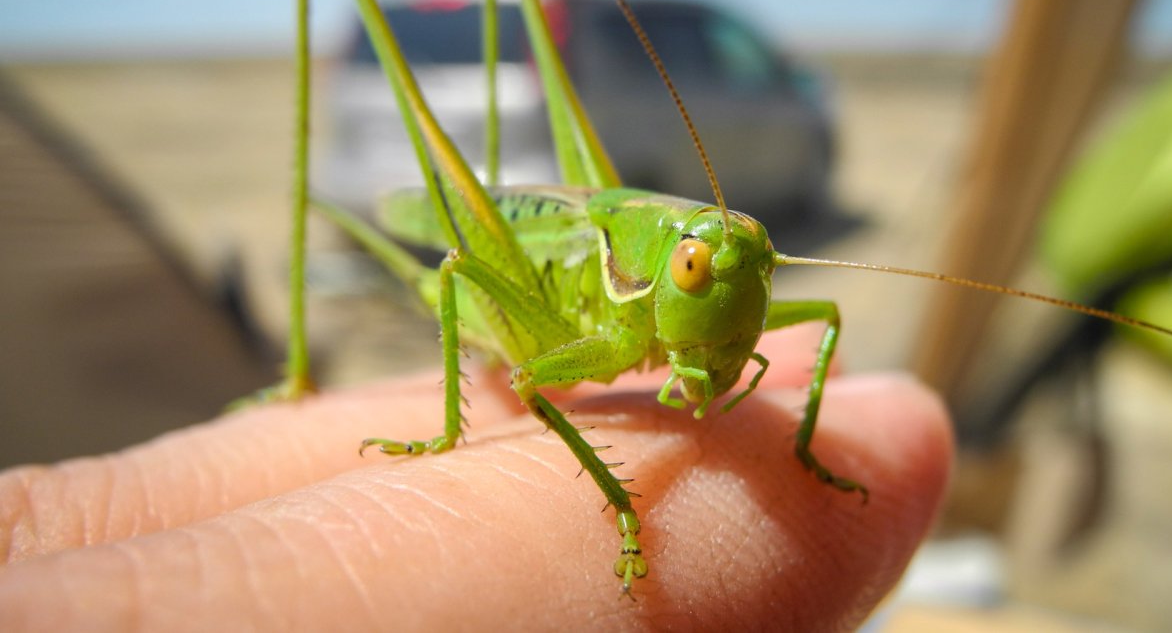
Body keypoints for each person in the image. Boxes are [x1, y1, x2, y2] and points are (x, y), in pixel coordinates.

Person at [0, 324, 952, 628]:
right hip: (517, 274)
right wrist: (630, 516)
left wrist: (802, 449)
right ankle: (296, 379)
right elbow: (530, 374)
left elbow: (826, 319)